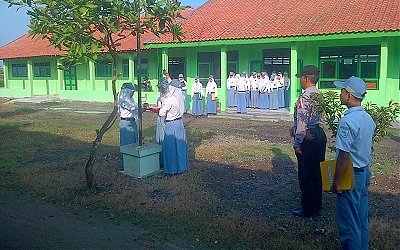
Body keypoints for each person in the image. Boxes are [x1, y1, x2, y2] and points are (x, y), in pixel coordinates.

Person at [331, 76, 375, 250]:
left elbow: (343, 155)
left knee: (349, 223)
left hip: (351, 176)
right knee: (361, 218)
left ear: (349, 95)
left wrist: (336, 182)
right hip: (364, 172)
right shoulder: (368, 118)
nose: (340, 93)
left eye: (342, 90)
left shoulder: (347, 121)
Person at [290, 65, 327, 218]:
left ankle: (307, 210)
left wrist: (297, 143)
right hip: (319, 135)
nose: (300, 80)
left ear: (305, 79)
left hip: (308, 137)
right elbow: (323, 119)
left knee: (306, 175)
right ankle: (316, 208)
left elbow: (302, 123)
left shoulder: (305, 98)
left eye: (301, 78)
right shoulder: (320, 96)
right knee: (317, 173)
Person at [158, 79, 189, 175]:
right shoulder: (179, 97)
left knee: (170, 148)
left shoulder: (169, 99)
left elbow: (161, 112)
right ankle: (181, 166)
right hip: (179, 122)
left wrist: (159, 108)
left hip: (171, 124)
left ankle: (171, 169)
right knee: (179, 146)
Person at [118, 82, 138, 170]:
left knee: (134, 142)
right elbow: (132, 108)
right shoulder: (123, 99)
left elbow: (135, 110)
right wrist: (140, 106)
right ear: (127, 91)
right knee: (126, 144)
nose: (133, 93)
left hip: (132, 121)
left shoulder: (131, 99)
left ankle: (133, 161)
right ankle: (125, 163)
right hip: (126, 123)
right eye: (132, 91)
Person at [155, 78, 169, 166]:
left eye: (162, 88)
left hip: (166, 118)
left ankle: (165, 158)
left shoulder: (169, 97)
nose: (161, 90)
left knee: (165, 137)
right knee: (159, 136)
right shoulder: (161, 96)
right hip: (160, 117)